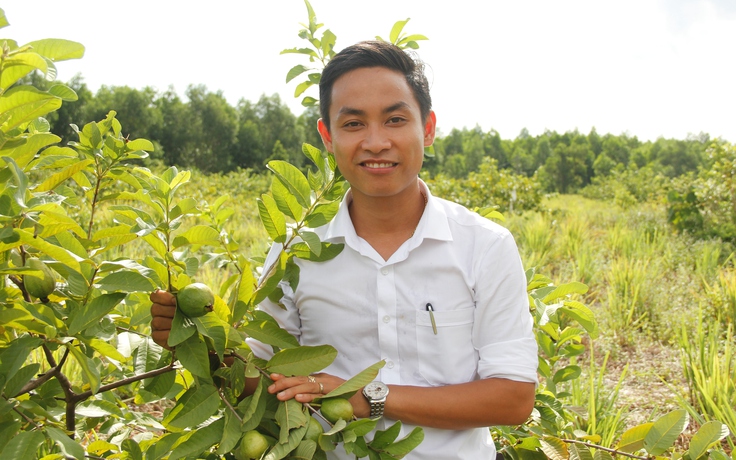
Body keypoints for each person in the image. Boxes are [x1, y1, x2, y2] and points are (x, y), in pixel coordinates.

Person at [150, 40, 538, 459]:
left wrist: (365, 396)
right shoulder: (296, 252)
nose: (375, 142)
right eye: (353, 124)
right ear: (327, 137)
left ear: (427, 128)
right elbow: (258, 376)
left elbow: (512, 398)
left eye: (394, 119)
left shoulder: (485, 246)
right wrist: (193, 341)